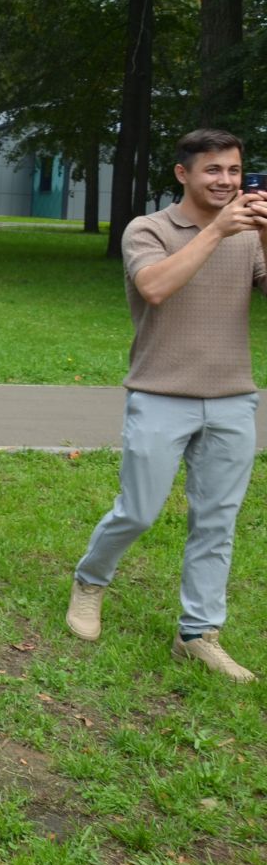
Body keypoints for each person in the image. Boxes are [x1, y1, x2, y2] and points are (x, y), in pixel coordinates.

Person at [66, 128, 266, 682]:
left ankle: (199, 633)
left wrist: (263, 236)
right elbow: (155, 287)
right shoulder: (148, 229)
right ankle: (90, 581)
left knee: (217, 521)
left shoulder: (250, 234)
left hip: (232, 399)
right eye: (213, 171)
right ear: (183, 174)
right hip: (160, 394)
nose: (226, 181)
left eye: (234, 171)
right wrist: (219, 231)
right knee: (139, 510)